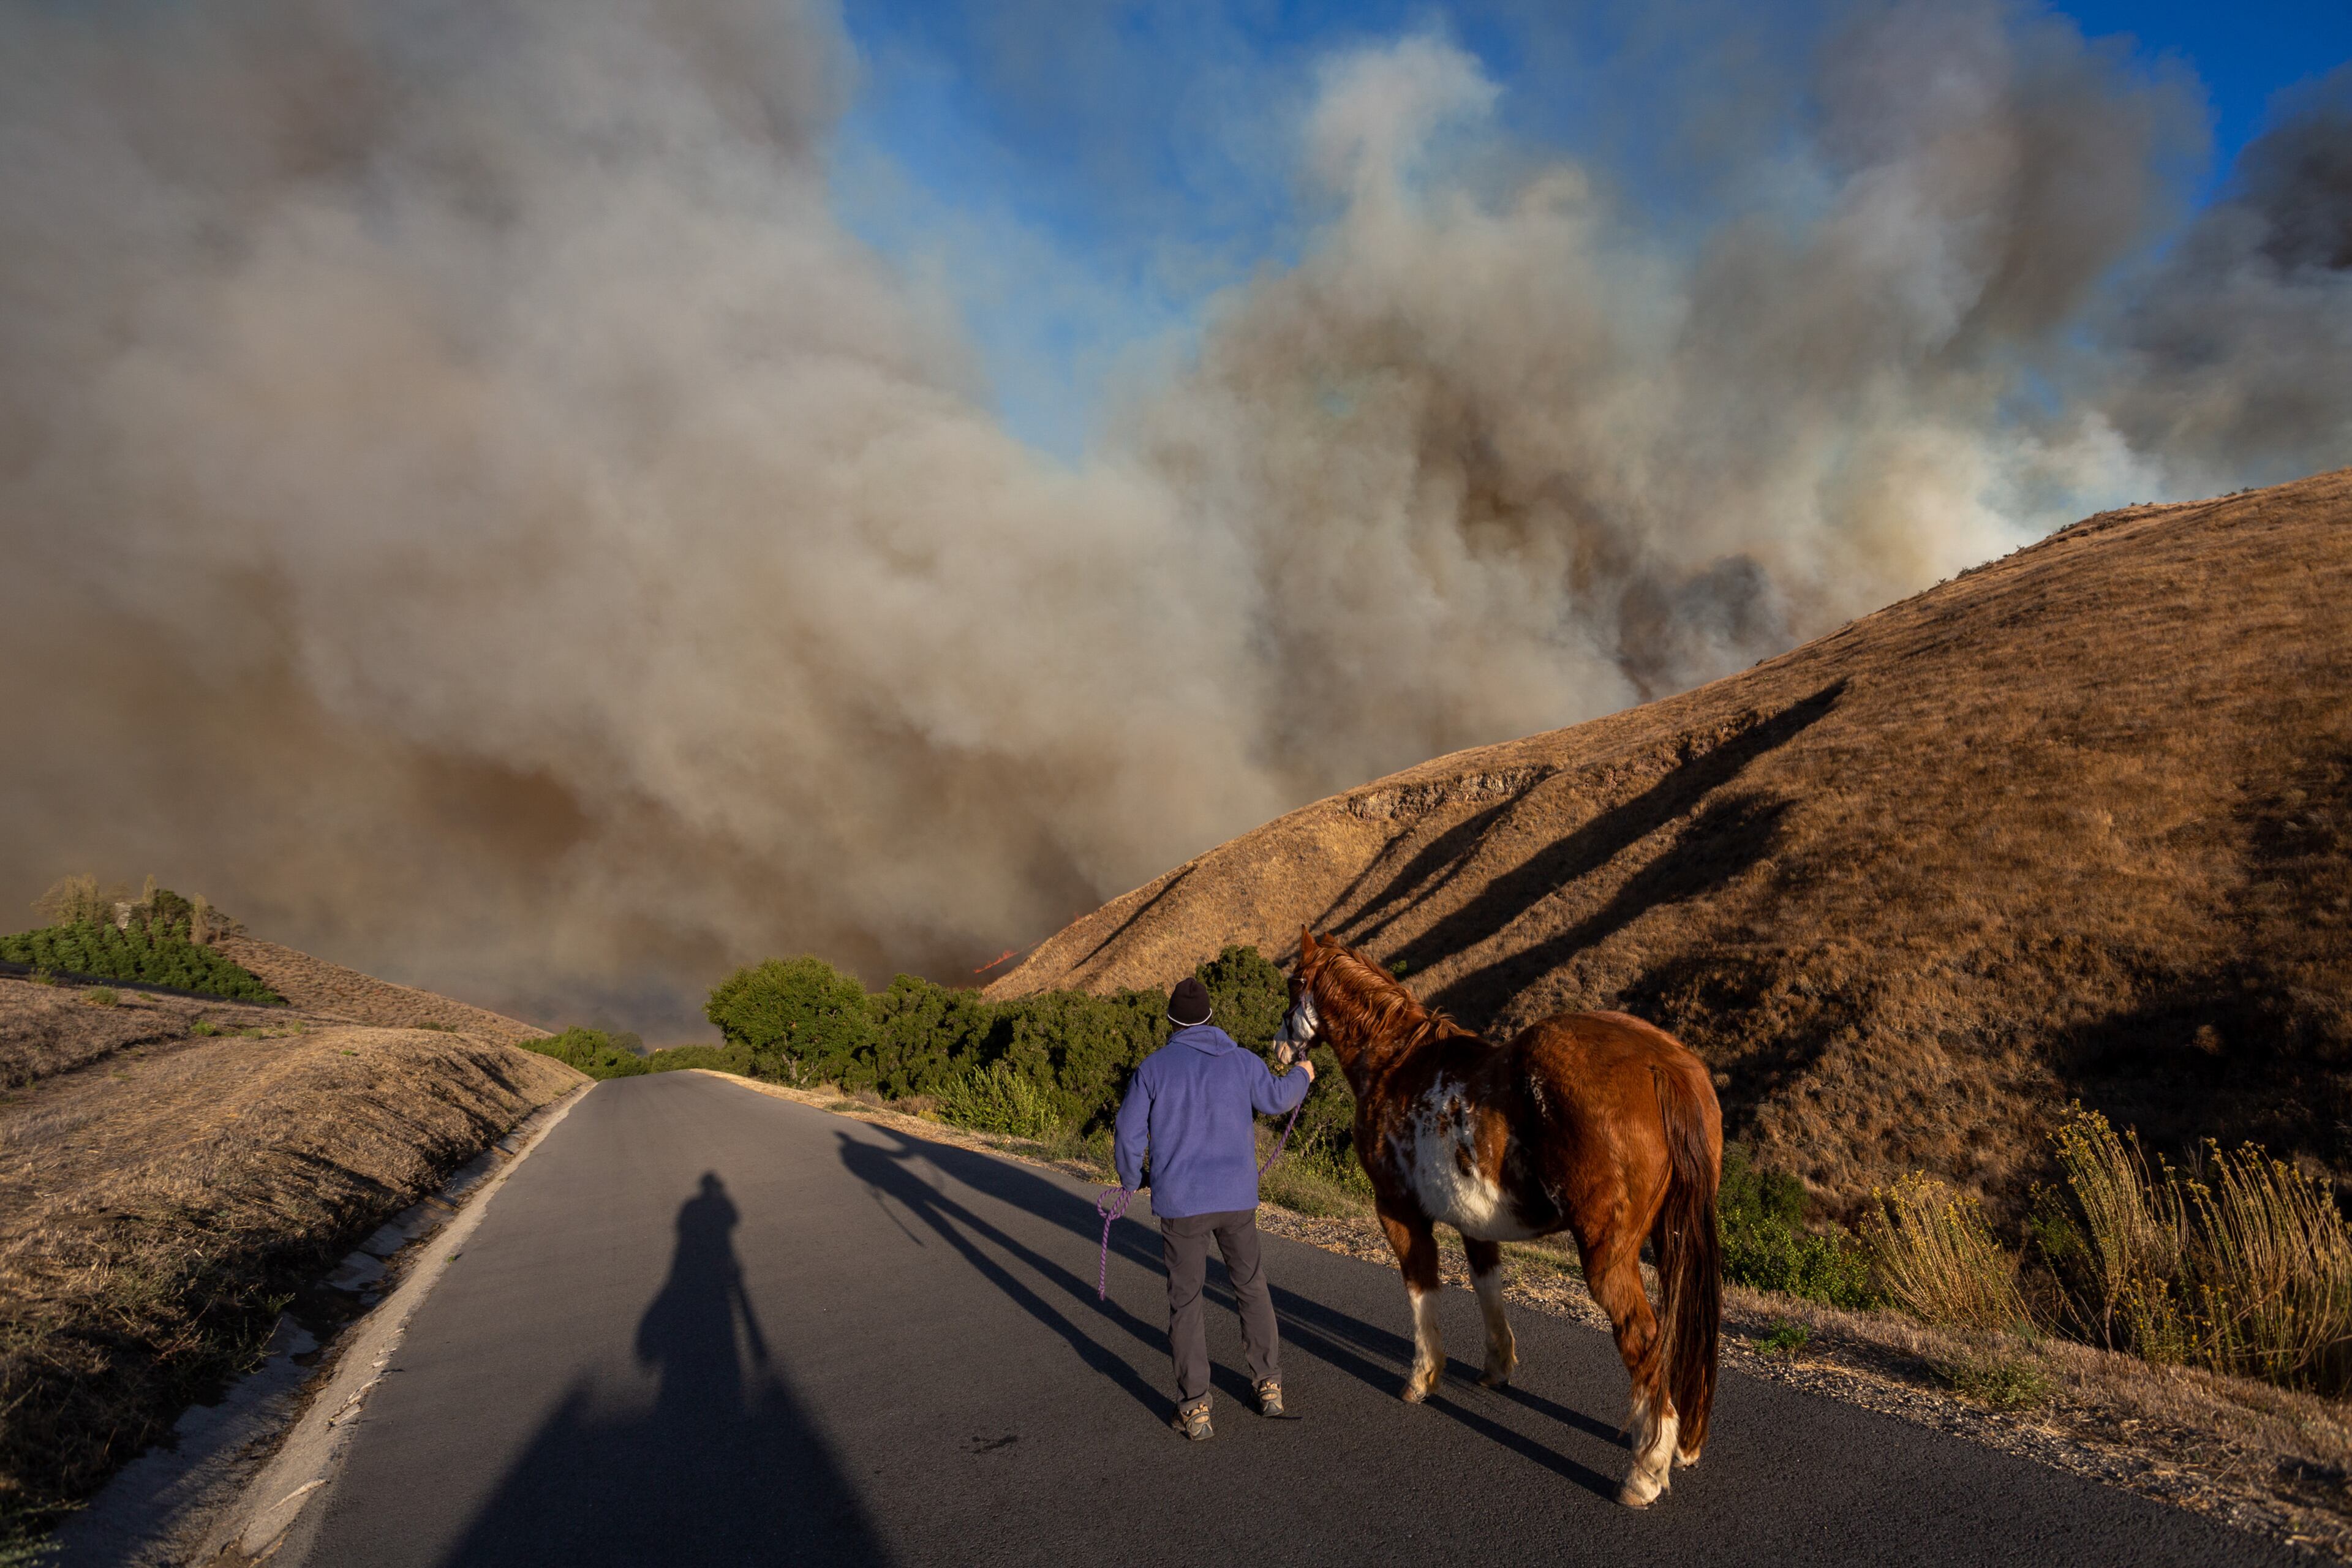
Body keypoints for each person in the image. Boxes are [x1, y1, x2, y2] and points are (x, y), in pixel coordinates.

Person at [1112, 974, 1315, 1441]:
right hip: (1237, 1200)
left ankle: (1196, 1408)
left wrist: (1130, 1180)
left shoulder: (1154, 1068)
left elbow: (1127, 1135)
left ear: (1172, 1023)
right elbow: (1278, 1099)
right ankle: (1269, 1388)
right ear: (1209, 1018)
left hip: (1181, 1205)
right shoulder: (1241, 1062)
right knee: (1250, 1285)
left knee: (1186, 1301)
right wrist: (1303, 1074)